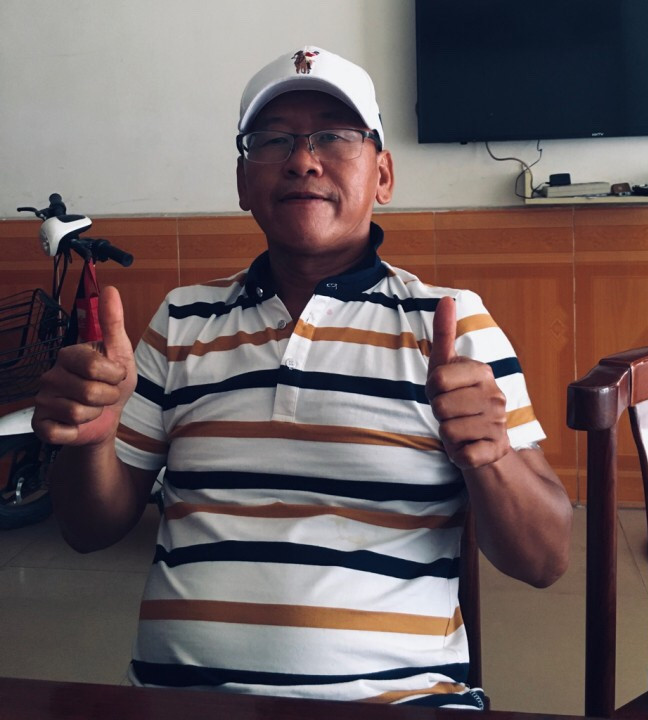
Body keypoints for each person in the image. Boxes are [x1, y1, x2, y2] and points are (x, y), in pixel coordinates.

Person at [32, 46, 572, 710]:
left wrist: (493, 459)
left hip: (400, 702)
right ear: (242, 182)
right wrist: (89, 443)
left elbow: (545, 561)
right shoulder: (183, 319)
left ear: (383, 174)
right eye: (274, 140)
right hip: (182, 702)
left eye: (334, 137)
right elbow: (88, 530)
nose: (303, 160)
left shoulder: (451, 325)